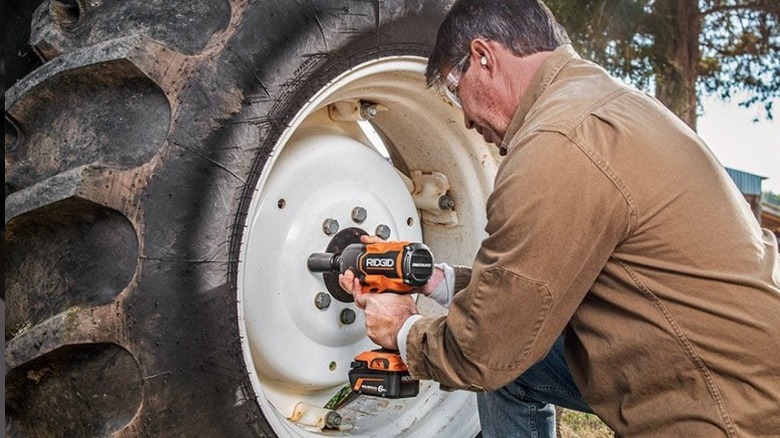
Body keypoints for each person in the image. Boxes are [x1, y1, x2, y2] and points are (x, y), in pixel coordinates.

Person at [340, 0, 780, 436]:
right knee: (518, 369)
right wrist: (435, 281)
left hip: (726, 412)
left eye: (456, 93)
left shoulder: (556, 144)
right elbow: (535, 286)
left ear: (483, 57)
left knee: (505, 360)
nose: (468, 121)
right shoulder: (601, 103)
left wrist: (404, 328)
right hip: (732, 369)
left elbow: (486, 352)